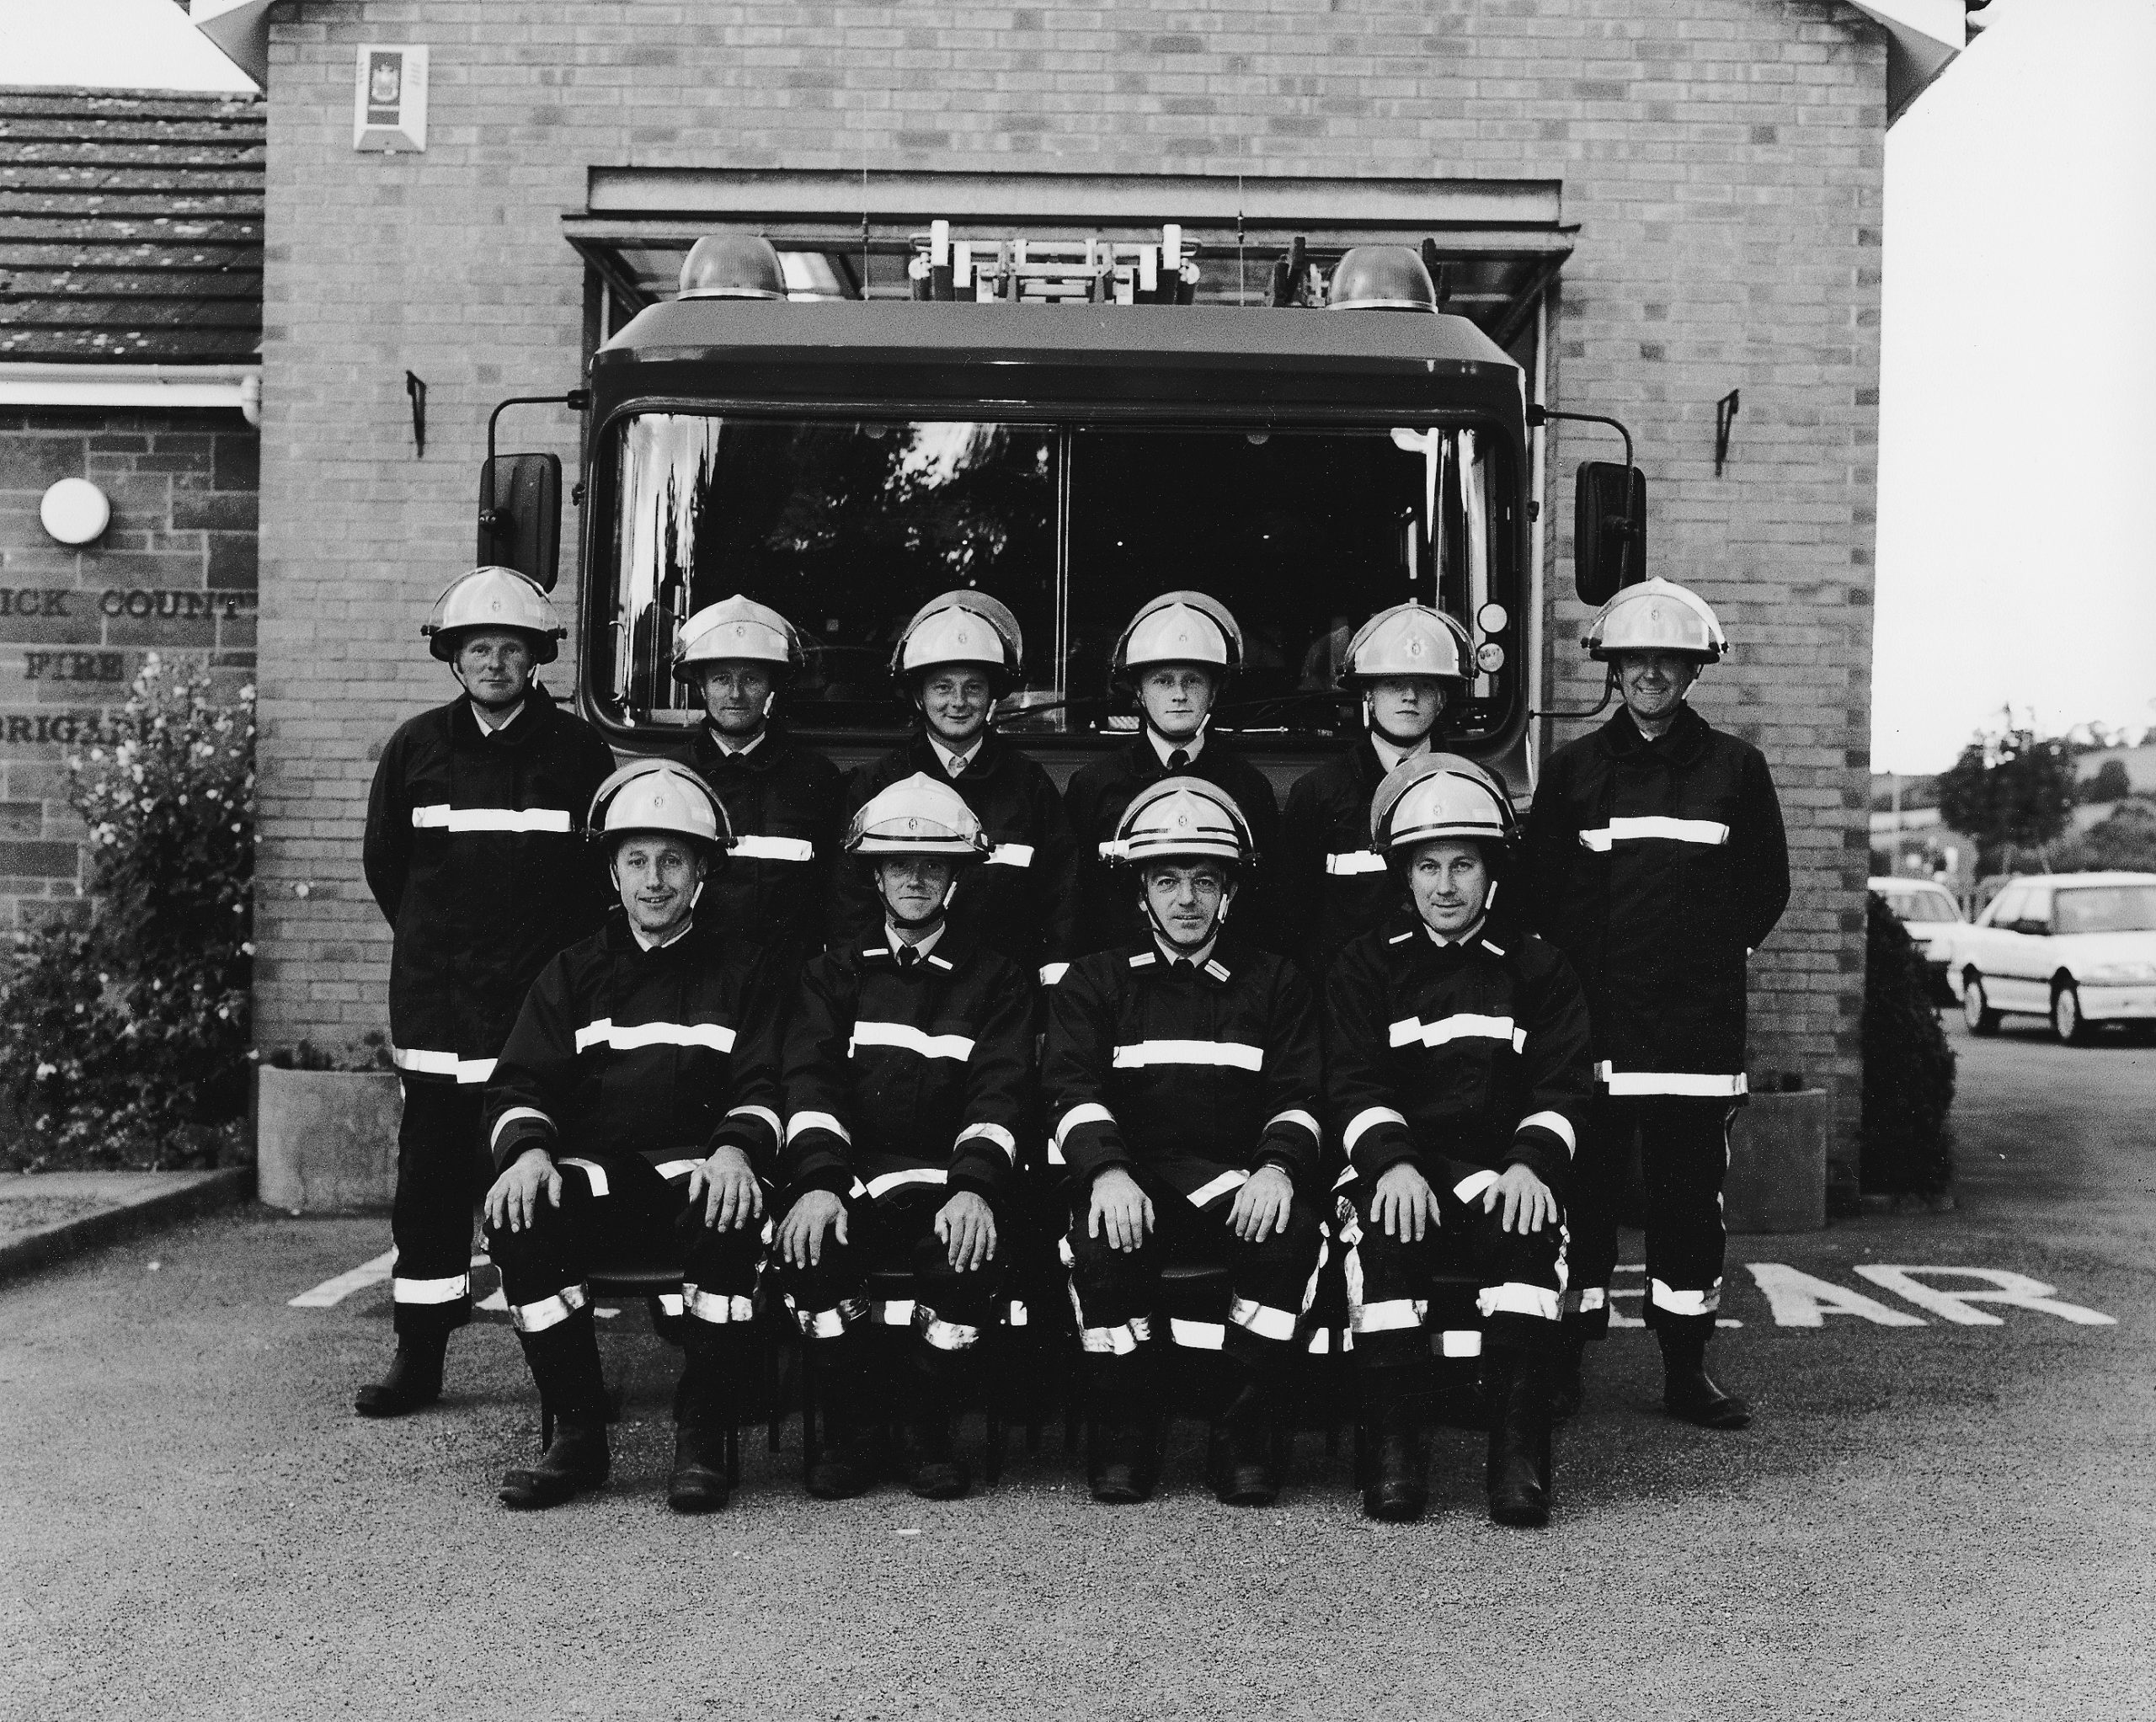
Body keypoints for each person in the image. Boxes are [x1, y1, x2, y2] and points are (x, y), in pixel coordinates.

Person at [480, 761, 787, 1512]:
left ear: (702, 871)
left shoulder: (744, 972)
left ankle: (702, 1432)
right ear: (613, 872)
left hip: (701, 1183)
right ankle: (578, 1431)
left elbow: (765, 1082)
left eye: (673, 860)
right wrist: (526, 1153)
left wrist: (736, 1148)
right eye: (637, 860)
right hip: (600, 1185)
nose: (655, 880)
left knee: (735, 1210)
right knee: (519, 1216)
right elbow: (520, 1082)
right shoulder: (571, 973)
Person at [1522, 578, 1790, 1429]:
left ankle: (1686, 1368)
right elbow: (1539, 894)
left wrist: (1702, 965)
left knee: (1687, 1208)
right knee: (1582, 1202)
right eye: (1635, 658)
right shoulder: (1573, 770)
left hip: (1693, 1036)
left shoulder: (1736, 768)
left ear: (1694, 668)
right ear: (1612, 666)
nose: (1649, 673)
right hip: (1593, 1031)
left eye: (1667, 659)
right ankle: (1566, 1362)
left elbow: (1765, 888)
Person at [356, 566, 616, 1418]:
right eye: (478, 648)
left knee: (548, 1187)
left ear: (537, 657)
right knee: (431, 1190)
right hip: (440, 1009)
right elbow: (388, 869)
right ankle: (419, 1355)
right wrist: (440, 948)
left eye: (511, 648)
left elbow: (596, 883)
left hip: (541, 1016)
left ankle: (567, 1375)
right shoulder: (415, 748)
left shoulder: (578, 752)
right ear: (453, 657)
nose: (494, 662)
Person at [1324, 755, 1593, 1526]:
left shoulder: (1538, 967)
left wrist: (1531, 1165)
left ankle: (1517, 1462)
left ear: (1491, 869)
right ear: (1404, 874)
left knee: (1528, 1238)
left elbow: (1563, 1087)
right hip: (1397, 1171)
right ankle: (1395, 1458)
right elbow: (1351, 1084)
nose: (1445, 886)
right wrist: (1392, 1163)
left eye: (1463, 865)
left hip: (1501, 1172)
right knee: (1387, 1238)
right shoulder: (1365, 965)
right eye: (1428, 866)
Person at [1043, 777, 1324, 1506]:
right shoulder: (1095, 980)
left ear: (1229, 891)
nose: (1186, 899)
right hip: (1133, 1180)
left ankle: (1243, 1435)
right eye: (1167, 880)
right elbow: (1070, 1089)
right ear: (1141, 892)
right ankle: (1125, 1432)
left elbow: (1299, 1094)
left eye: (1204, 880)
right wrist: (1106, 1172)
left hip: (1238, 1181)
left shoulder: (1276, 981)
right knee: (1103, 1244)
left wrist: (1277, 1169)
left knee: (1290, 1236)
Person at [774, 775, 1036, 1501]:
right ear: (874, 874)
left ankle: (925, 1428)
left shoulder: (996, 979)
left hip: (950, 1182)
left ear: (956, 876)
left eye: (932, 864)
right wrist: (819, 1182)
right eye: (898, 863)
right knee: (811, 1247)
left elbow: (1001, 1091)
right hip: (853, 1179)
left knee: (968, 1253)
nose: (915, 878)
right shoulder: (831, 974)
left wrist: (975, 1186)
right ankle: (854, 1429)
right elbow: (810, 1085)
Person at [833, 592, 1079, 984]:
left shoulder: (1030, 786)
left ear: (994, 695)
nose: (959, 702)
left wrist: (1049, 994)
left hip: (1005, 997)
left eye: (974, 687)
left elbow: (1060, 900)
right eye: (943, 687)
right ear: (919, 695)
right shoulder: (876, 784)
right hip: (898, 993)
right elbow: (851, 904)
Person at [1063, 591, 1281, 957]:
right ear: (1138, 691)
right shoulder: (1094, 785)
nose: (1179, 694)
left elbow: (1266, 904)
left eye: (1192, 681)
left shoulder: (1248, 788)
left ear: (1214, 691)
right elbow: (1076, 901)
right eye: (1163, 681)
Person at [1278, 602, 1476, 977]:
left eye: (1425, 685)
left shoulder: (1476, 790)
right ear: (1368, 693)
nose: (1410, 696)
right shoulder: (1317, 795)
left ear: (1443, 698)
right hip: (1348, 997)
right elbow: (1292, 922)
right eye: (1393, 683)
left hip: (1446, 991)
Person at [678, 594, 846, 971]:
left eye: (751, 679)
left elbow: (839, 899)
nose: (736, 694)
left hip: (790, 986)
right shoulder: (672, 778)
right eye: (721, 679)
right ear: (700, 686)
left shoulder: (817, 780)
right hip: (692, 982)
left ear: (772, 686)